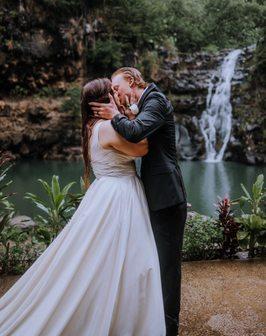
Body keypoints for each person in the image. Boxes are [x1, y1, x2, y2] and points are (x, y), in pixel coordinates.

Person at [0, 78, 166, 336]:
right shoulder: (109, 128)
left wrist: (122, 114)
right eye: (112, 91)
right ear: (103, 102)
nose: (117, 94)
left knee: (103, 257)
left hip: (106, 192)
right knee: (131, 258)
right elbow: (143, 146)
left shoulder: (91, 126)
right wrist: (127, 115)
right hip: (119, 196)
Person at [90, 67, 188, 336]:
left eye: (117, 86)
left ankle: (169, 329)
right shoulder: (143, 104)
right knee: (152, 262)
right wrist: (124, 114)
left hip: (167, 197)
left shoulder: (155, 100)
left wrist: (114, 116)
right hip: (155, 195)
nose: (115, 92)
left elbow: (137, 132)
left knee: (168, 267)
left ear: (131, 81)